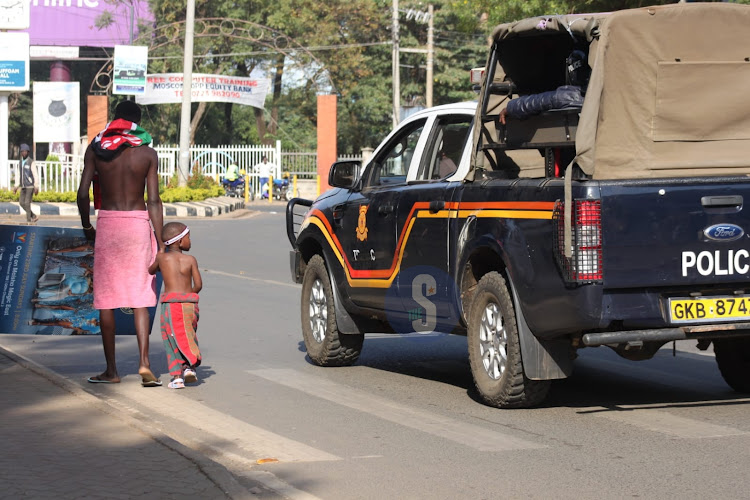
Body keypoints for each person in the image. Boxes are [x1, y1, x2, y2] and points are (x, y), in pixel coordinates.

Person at [77, 100, 165, 386]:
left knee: (107, 300)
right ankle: (144, 363)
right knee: (140, 298)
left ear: (115, 118)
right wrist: (161, 242)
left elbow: (82, 194)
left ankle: (112, 371)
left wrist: (86, 225)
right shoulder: (148, 153)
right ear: (137, 123)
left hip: (109, 225)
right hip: (138, 224)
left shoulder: (98, 148)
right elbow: (154, 200)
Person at [148, 222, 202, 389]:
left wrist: (160, 253)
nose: (190, 241)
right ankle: (189, 368)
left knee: (171, 338)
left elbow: (151, 271)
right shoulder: (191, 260)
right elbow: (198, 285)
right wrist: (186, 296)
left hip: (170, 305)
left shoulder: (162, 258)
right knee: (188, 335)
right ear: (178, 241)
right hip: (189, 304)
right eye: (188, 237)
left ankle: (177, 377)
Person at [14, 143, 39, 223]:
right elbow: (18, 174)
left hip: (30, 186)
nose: (24, 153)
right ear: (21, 152)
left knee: (27, 203)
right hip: (23, 186)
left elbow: (35, 174)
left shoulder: (31, 162)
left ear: (28, 152)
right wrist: (16, 186)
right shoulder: (20, 162)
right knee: (21, 202)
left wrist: (36, 186)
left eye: (25, 151)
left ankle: (29, 221)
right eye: (22, 151)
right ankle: (33, 216)